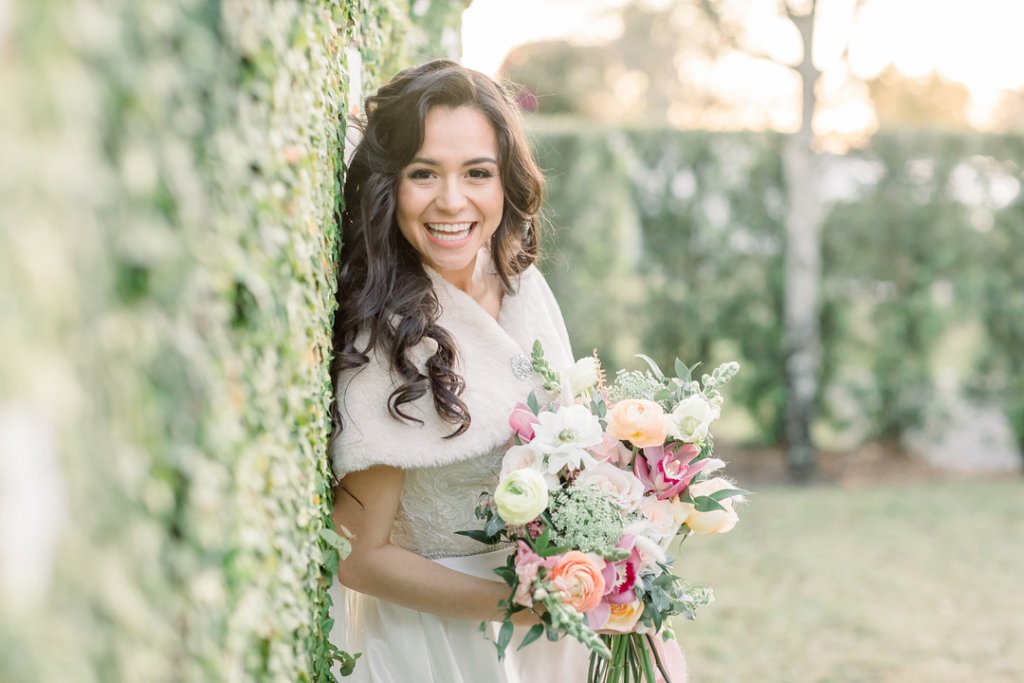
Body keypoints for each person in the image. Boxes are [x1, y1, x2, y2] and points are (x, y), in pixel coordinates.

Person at [327, 60, 592, 682]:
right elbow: (360, 558)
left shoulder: (522, 283)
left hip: (550, 623)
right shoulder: (386, 334)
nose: (453, 200)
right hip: (442, 639)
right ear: (390, 186)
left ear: (507, 183)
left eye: (477, 173)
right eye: (424, 174)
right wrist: (520, 607)